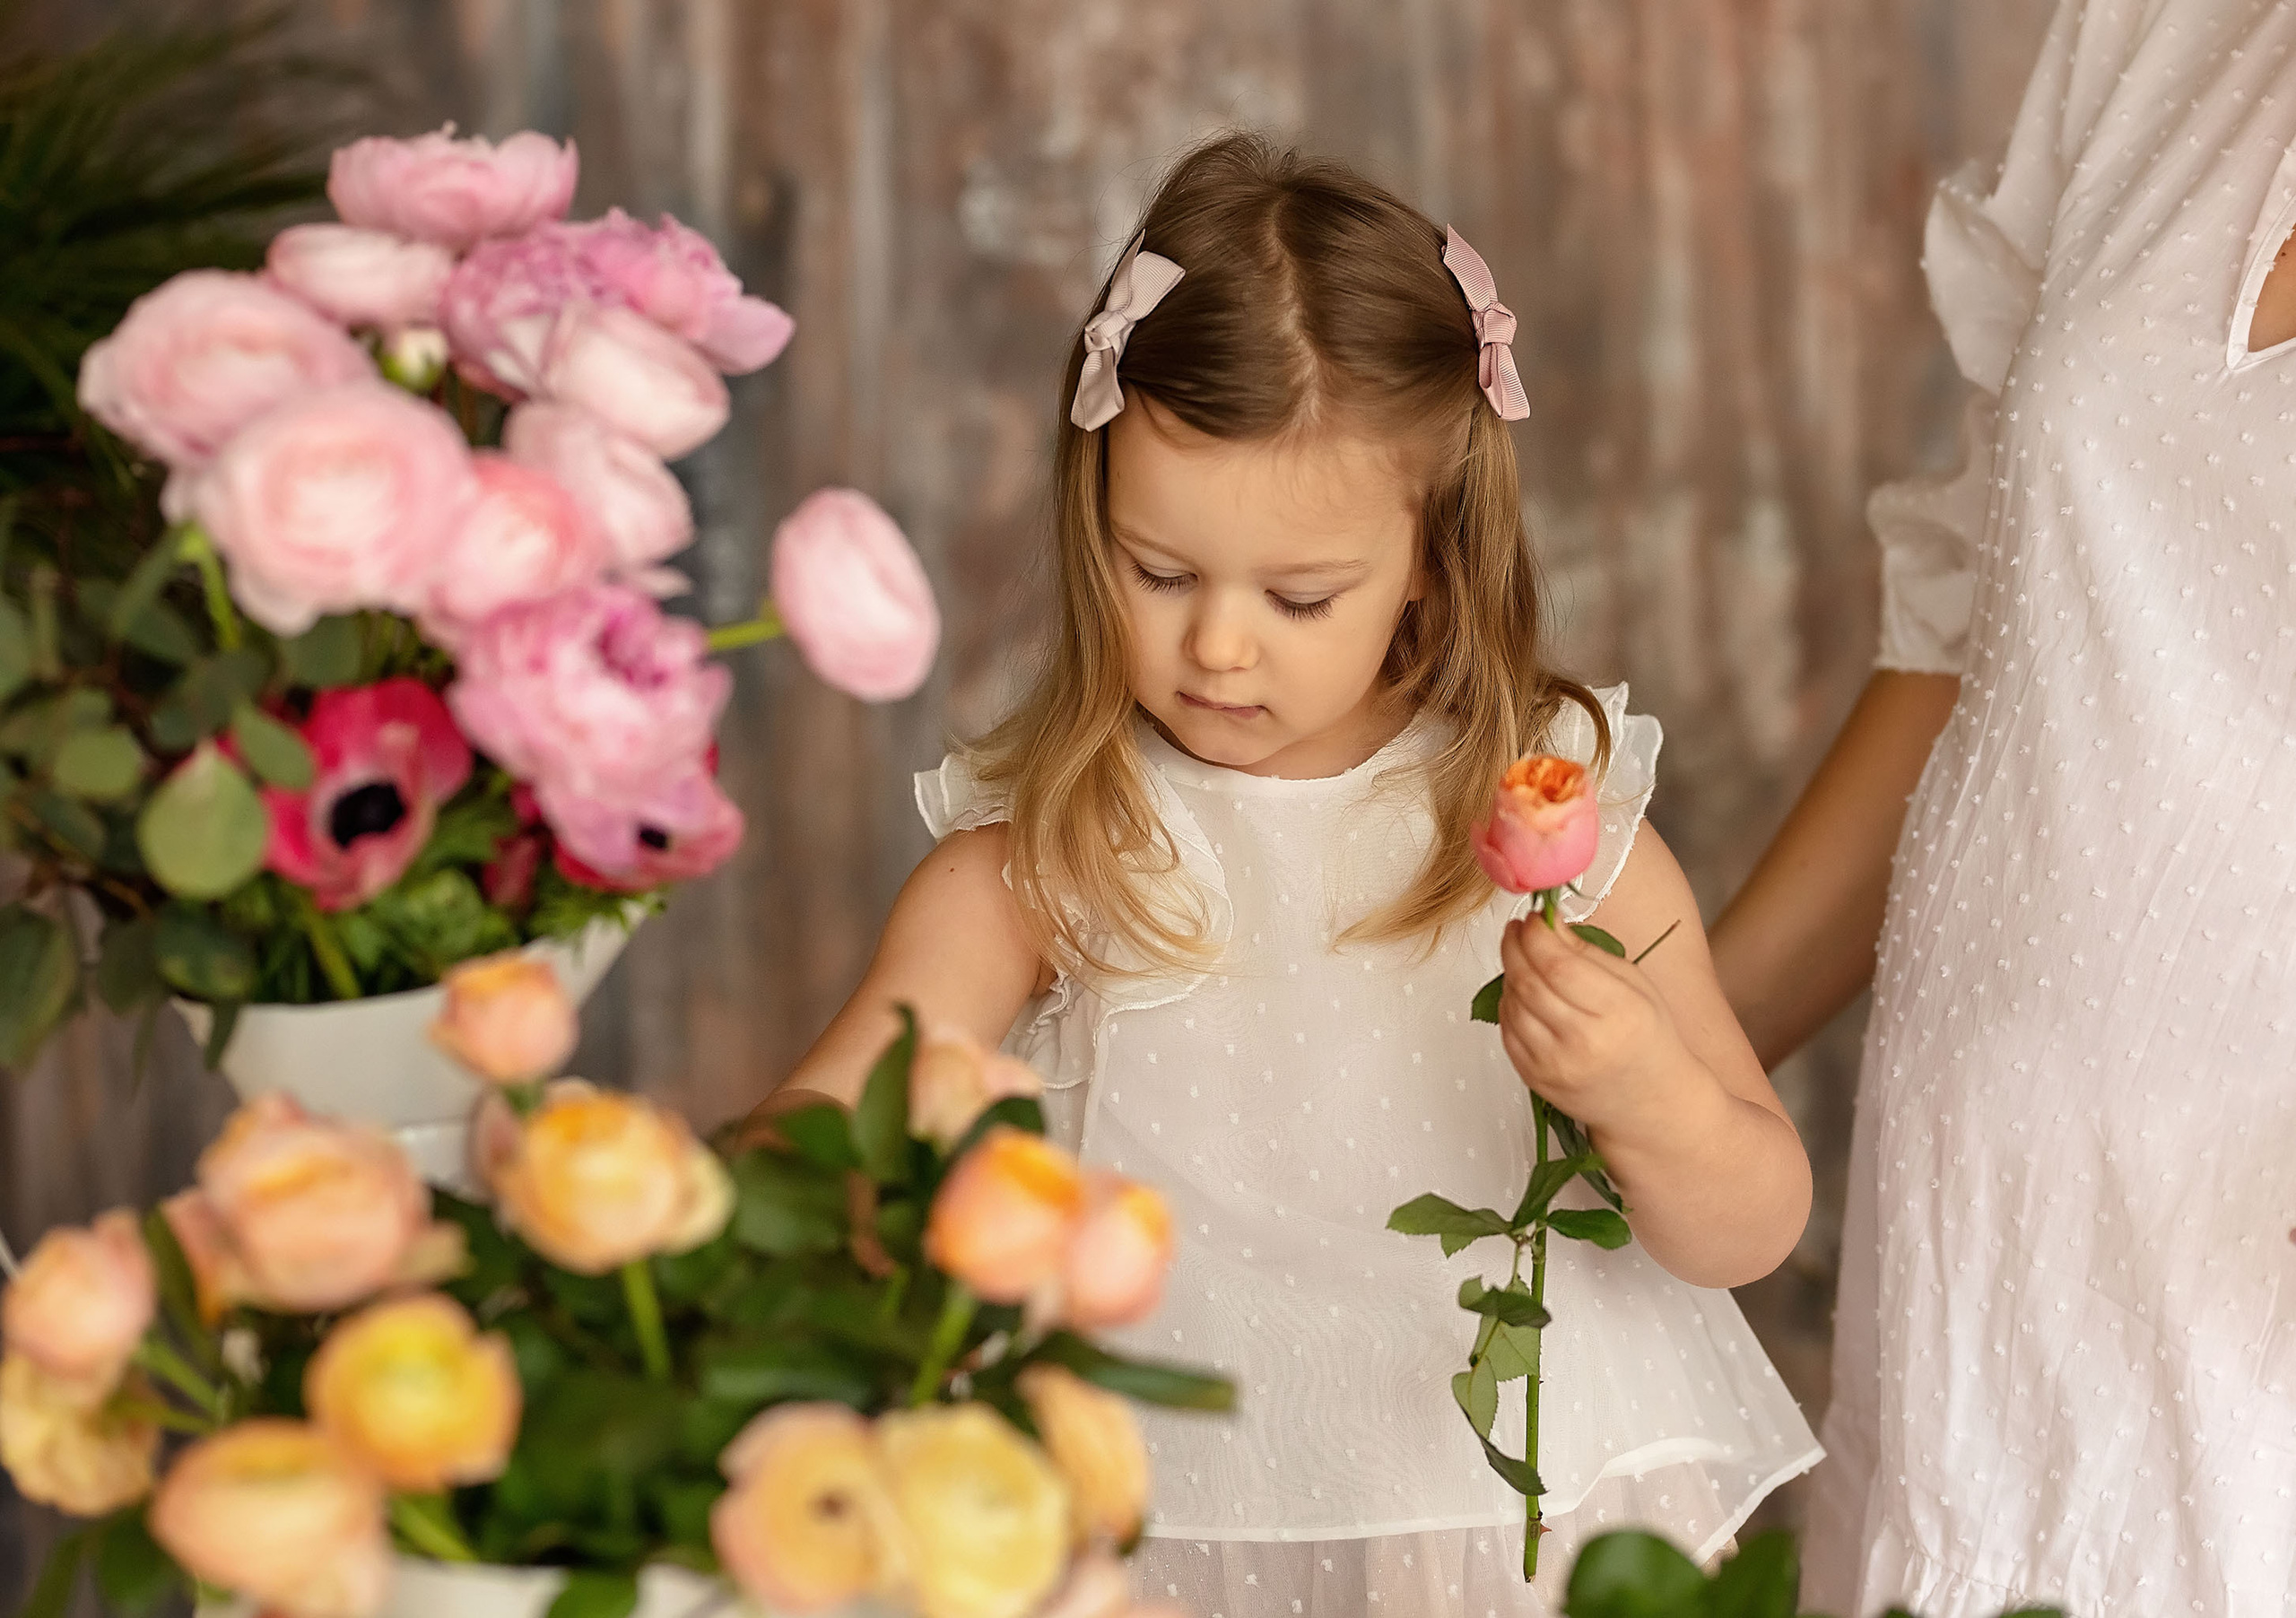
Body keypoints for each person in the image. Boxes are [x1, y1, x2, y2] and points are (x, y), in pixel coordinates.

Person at [753, 134, 1819, 1616]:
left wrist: (1643, 1090)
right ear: (1092, 529)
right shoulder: (1048, 858)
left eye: (1299, 596)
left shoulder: (1545, 842)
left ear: (1431, 566)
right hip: (1154, 1520)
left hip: (1490, 1522)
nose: (1220, 647)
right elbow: (824, 1139)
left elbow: (1750, 1225)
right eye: (1160, 573)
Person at [1709, 3, 2296, 1614]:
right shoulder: (2176, 34)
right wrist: (1662, 1066)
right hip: (1975, 1295)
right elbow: (1988, 617)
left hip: (2249, 1352)